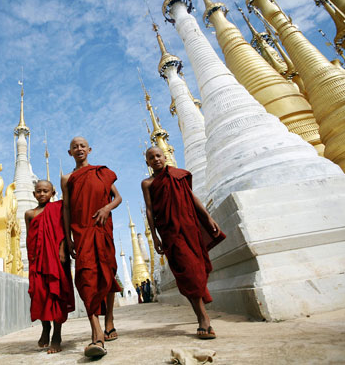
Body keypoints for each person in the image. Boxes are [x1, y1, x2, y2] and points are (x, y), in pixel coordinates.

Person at [141, 147, 226, 339]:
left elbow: (192, 198)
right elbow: (149, 210)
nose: (155, 159)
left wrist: (208, 218)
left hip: (190, 226)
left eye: (158, 156)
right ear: (147, 162)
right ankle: (203, 317)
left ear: (165, 157)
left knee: (198, 268)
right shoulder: (147, 183)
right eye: (151, 158)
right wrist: (154, 236)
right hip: (170, 232)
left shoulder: (178, 176)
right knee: (187, 271)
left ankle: (201, 309)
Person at [61, 136, 122, 358]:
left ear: (89, 150)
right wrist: (68, 238)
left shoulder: (100, 172)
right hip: (82, 230)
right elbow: (67, 208)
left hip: (102, 227)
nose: (79, 149)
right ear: (70, 153)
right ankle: (96, 332)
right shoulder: (68, 178)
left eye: (82, 146)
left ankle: (110, 321)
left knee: (107, 274)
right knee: (86, 277)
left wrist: (106, 208)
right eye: (74, 147)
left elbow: (118, 197)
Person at [25, 180, 75, 354]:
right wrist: (30, 259)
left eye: (46, 191)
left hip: (55, 256)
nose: (42, 194)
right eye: (38, 191)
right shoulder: (30, 214)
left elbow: (64, 229)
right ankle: (45, 328)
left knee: (56, 293)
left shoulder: (59, 208)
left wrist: (63, 249)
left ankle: (57, 336)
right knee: (39, 294)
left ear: (53, 193)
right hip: (37, 259)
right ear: (34, 194)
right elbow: (29, 237)